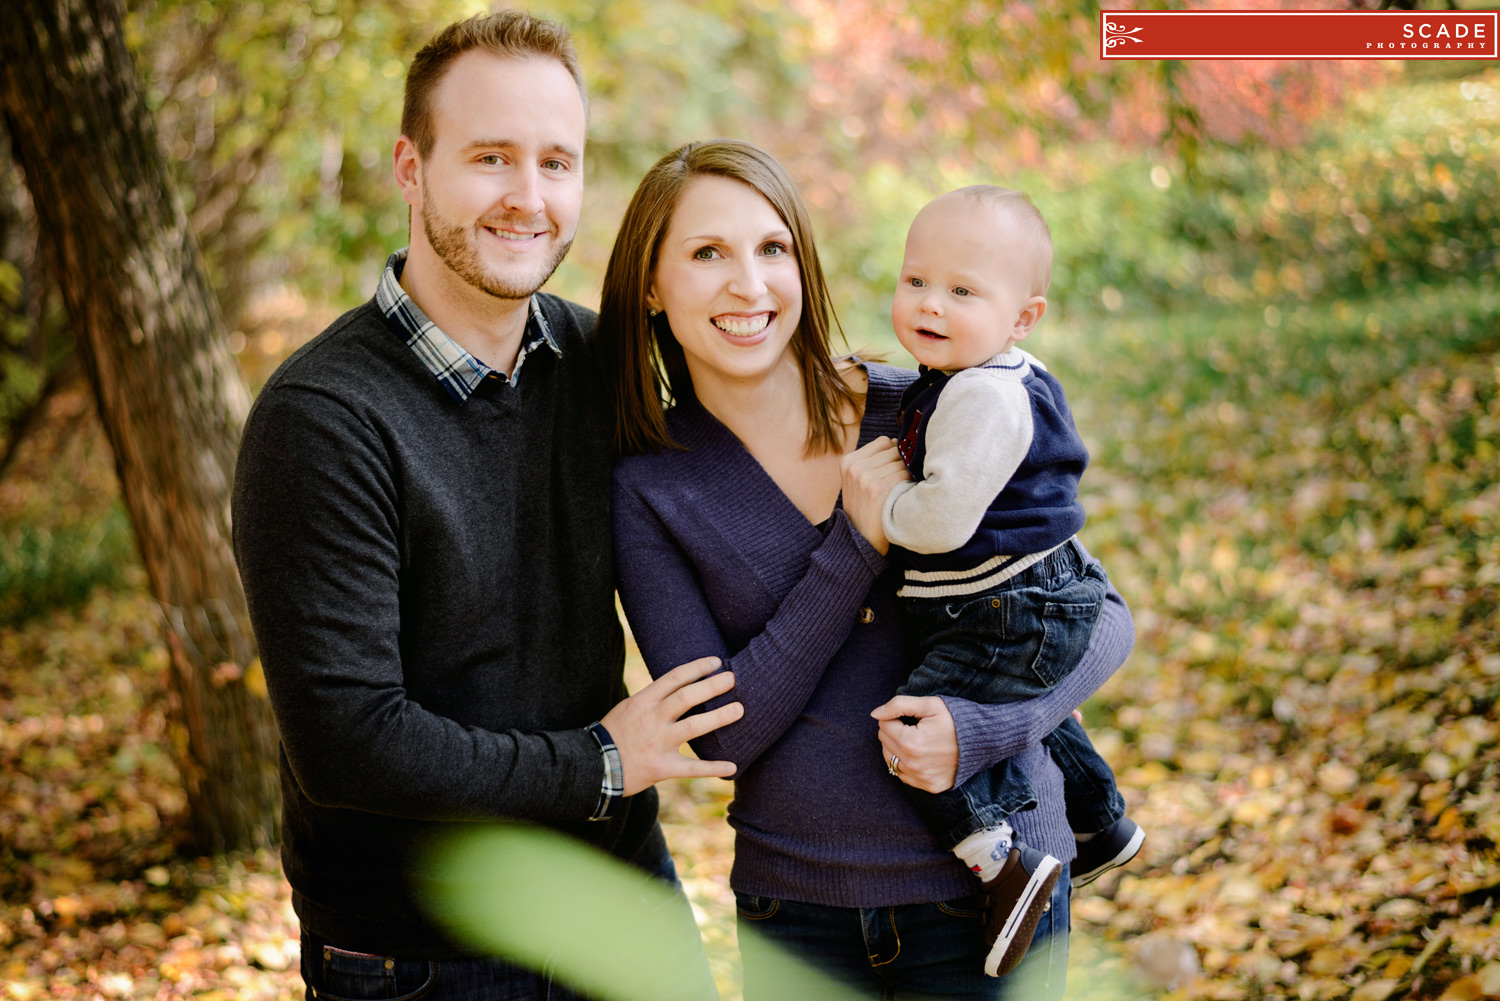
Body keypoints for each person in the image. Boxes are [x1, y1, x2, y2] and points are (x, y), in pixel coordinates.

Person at [232, 13, 739, 1001]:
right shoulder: (323, 419)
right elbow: (351, 741)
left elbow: (761, 464)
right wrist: (600, 762)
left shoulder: (601, 363)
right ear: (410, 169)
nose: (529, 196)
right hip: (422, 951)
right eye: (491, 158)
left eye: (558, 162)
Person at [604, 138, 1136, 1001]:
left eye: (772, 249)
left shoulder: (926, 404)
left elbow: (1100, 615)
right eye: (708, 253)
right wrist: (856, 543)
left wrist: (984, 731)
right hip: (796, 908)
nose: (749, 285)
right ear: (653, 287)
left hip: (997, 895)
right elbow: (724, 731)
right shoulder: (651, 483)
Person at [870, 185, 1143, 978]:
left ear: (1023, 317)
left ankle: (1001, 862)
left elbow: (944, 516)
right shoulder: (989, 373)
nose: (931, 304)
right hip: (1040, 588)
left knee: (915, 730)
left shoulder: (981, 396)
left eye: (963, 291)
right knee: (1043, 712)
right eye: (915, 280)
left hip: (1001, 603)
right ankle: (1102, 823)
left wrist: (880, 506)